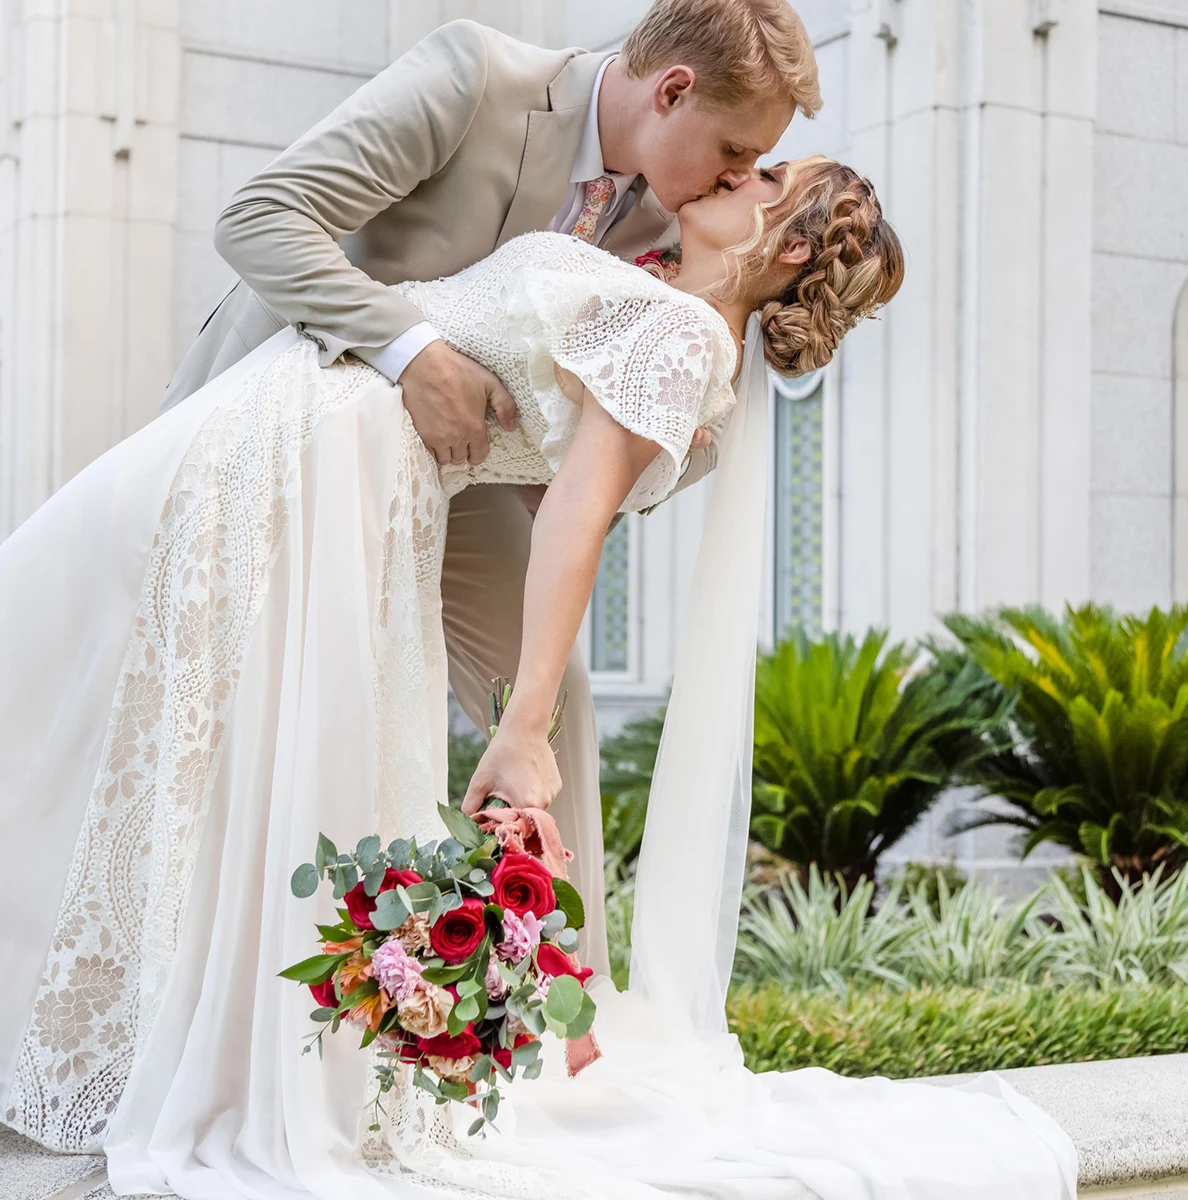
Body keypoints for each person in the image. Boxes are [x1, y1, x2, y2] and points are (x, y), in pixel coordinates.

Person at [0, 151, 1077, 1197]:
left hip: (335, 451)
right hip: (309, 429)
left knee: (60, 638)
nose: (734, 172)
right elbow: (539, 462)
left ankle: (181, 1048)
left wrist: (522, 730)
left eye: (764, 180)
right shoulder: (658, 301)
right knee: (111, 684)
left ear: (785, 243)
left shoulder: (683, 339)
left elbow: (575, 515)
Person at [159, 0, 823, 976]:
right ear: (672, 89)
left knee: (550, 707)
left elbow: (589, 452)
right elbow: (259, 218)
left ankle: (563, 1012)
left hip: (462, 480)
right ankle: (191, 977)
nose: (732, 176)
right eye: (733, 150)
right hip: (299, 415)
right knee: (238, 721)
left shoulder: (669, 228)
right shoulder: (477, 77)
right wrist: (412, 351)